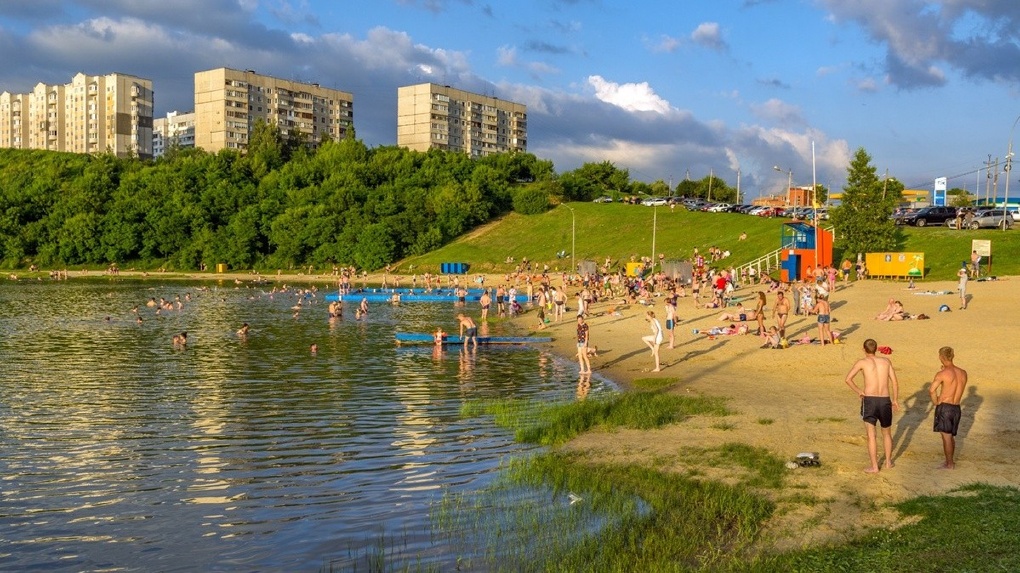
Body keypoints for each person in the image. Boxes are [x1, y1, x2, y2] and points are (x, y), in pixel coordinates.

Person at [844, 338, 900, 473]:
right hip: (885, 399)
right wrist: (895, 399)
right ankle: (888, 462)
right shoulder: (886, 362)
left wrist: (859, 391)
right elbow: (894, 382)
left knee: (871, 435)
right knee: (886, 433)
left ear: (864, 349)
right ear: (876, 348)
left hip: (870, 400)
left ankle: (875, 466)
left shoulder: (862, 362)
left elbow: (848, 379)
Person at [929, 346, 968, 469]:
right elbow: (954, 382)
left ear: (941, 357)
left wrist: (936, 402)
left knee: (946, 437)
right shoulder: (963, 373)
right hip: (956, 407)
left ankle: (949, 463)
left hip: (945, 407)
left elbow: (931, 390)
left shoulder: (942, 374)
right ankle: (949, 461)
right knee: (951, 436)